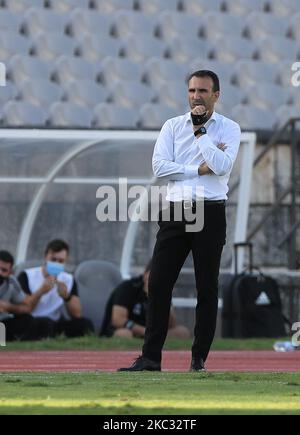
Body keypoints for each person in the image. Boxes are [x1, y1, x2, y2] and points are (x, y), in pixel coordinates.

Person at [119, 70, 241, 372]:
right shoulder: (172, 126)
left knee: (206, 287)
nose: (196, 96)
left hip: (210, 210)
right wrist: (196, 170)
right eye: (191, 90)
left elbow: (222, 166)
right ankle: (150, 358)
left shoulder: (229, 128)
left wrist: (200, 133)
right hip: (176, 210)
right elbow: (160, 168)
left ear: (216, 94)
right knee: (159, 283)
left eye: (202, 90)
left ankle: (198, 359)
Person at [18, 239, 94, 338]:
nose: (57, 263)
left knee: (85, 325)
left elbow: (77, 314)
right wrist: (41, 291)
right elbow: (24, 308)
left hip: (55, 322)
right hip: (32, 320)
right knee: (42, 324)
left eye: (61, 261)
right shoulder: (27, 276)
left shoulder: (68, 279)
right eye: (53, 260)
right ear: (45, 257)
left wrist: (66, 297)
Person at [100, 262, 190, 340]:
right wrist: (144, 331)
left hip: (150, 333)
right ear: (145, 275)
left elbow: (171, 325)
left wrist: (161, 300)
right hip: (127, 330)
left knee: (182, 332)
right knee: (125, 334)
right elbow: (117, 320)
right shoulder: (128, 287)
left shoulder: (163, 291)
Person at [0, 250, 54, 341]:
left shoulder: (11, 282)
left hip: (3, 324)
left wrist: (9, 307)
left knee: (36, 321)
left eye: (4, 270)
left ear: (10, 272)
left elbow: (27, 306)